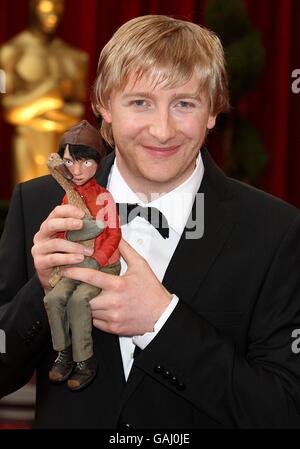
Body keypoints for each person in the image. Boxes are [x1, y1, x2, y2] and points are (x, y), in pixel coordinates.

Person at [0, 15, 300, 429]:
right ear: (103, 104)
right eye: (140, 102)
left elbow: (283, 411)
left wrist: (162, 321)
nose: (162, 130)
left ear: (213, 110)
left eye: (185, 104)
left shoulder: (277, 232)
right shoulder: (36, 205)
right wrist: (41, 287)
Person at [44, 120, 121, 391]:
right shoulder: (68, 198)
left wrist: (97, 259)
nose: (76, 170)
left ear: (97, 163)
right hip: (76, 263)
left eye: (84, 162)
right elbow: (64, 234)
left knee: (79, 301)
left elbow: (113, 236)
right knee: (53, 298)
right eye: (69, 162)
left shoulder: (104, 198)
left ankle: (84, 360)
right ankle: (62, 352)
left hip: (102, 265)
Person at [0, 0, 88, 184]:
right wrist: (48, 96)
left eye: (57, 12)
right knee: (30, 201)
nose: (52, 18)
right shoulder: (9, 53)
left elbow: (79, 111)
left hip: (64, 144)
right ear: (33, 9)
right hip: (28, 140)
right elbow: (7, 108)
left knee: (64, 204)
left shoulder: (75, 57)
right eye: (46, 12)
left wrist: (38, 104)